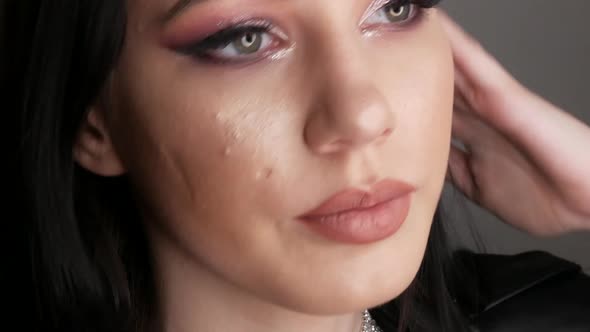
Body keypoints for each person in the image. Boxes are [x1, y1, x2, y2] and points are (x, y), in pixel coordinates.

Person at [3, 0, 589, 331]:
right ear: (94, 120)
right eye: (245, 40)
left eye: (394, 7)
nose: (362, 116)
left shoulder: (547, 316)